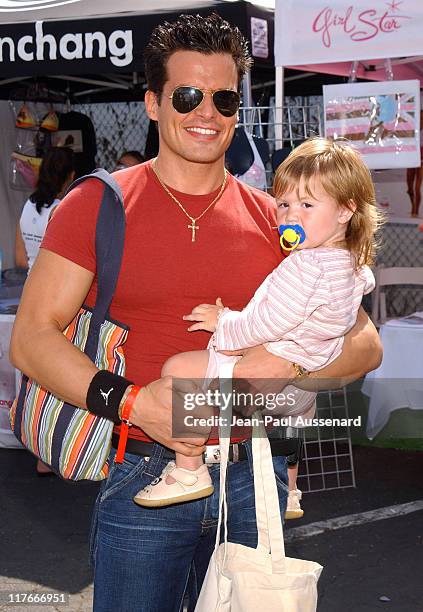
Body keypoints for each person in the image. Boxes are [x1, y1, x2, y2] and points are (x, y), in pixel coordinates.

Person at [10, 14, 382, 612]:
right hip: (145, 473)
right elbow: (31, 339)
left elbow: (364, 343)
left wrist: (279, 372)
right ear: (153, 103)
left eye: (224, 97)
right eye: (187, 95)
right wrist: (133, 403)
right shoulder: (98, 204)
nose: (206, 112)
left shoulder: (276, 219)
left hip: (252, 477)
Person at [133, 138, 379, 511]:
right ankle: (291, 489)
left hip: (265, 376)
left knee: (178, 371)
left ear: (346, 210)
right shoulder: (351, 264)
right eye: (284, 204)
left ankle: (187, 470)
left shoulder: (306, 265)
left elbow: (265, 324)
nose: (290, 215)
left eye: (307, 205)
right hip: (304, 389)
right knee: (295, 420)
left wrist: (223, 322)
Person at [14, 146, 74, 476]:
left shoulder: (27, 206)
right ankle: (52, 451)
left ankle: (38, 449)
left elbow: (21, 259)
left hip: (29, 292)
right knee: (60, 374)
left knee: (35, 375)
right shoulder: (67, 208)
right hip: (58, 293)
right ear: (69, 175)